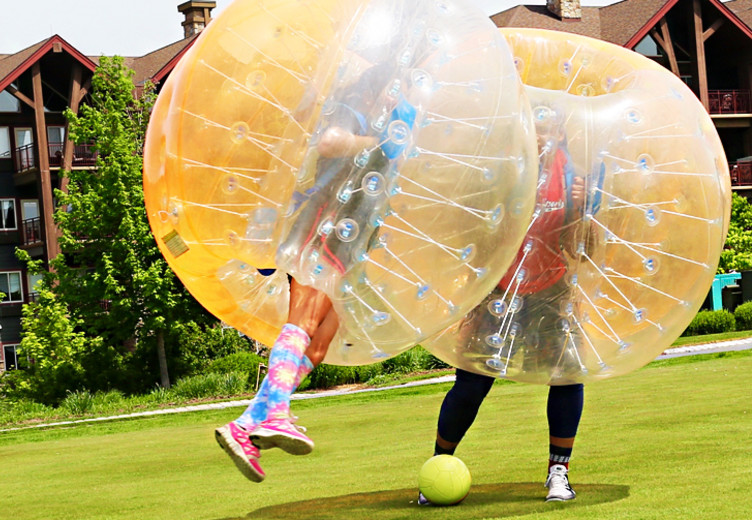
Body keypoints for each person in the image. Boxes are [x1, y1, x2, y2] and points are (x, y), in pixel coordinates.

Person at [215, 60, 417, 483]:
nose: (398, 96)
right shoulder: (353, 108)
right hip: (325, 218)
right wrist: (377, 138)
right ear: (378, 84)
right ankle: (274, 414)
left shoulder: (396, 120)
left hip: (354, 234)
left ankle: (248, 424)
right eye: (394, 87)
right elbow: (329, 142)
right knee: (304, 320)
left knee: (320, 346)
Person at [420, 115, 600, 504]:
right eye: (535, 126)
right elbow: (467, 224)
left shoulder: (572, 176)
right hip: (496, 289)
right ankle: (439, 465)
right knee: (471, 384)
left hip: (551, 286)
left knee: (566, 376)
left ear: (561, 132)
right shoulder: (498, 165)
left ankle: (558, 473)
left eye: (550, 127)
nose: (542, 135)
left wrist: (583, 208)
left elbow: (584, 249)